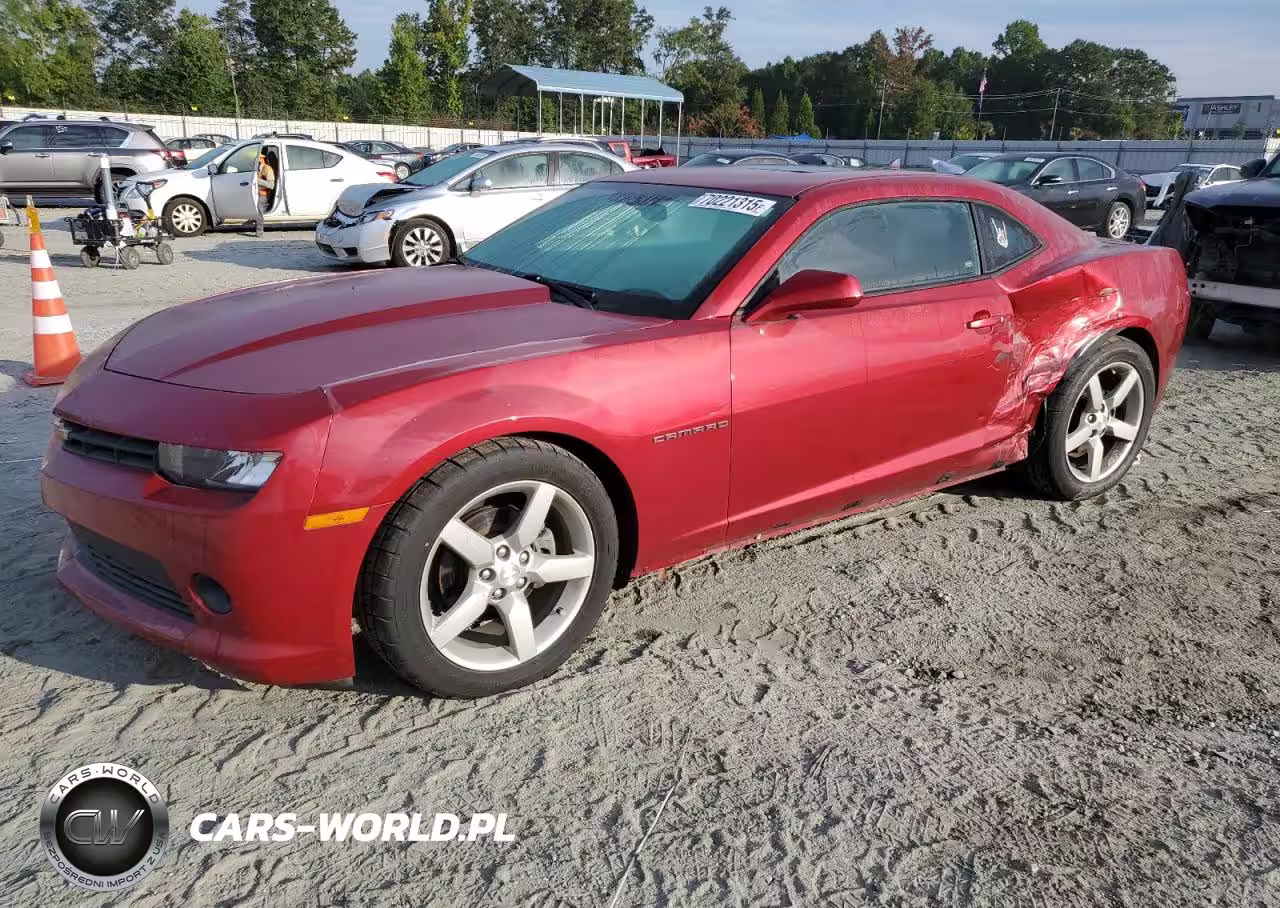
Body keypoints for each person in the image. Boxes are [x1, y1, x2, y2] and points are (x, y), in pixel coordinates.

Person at [253, 152, 275, 237]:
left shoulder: (267, 169)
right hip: (254, 193)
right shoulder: (256, 169)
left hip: (262, 195)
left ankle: (259, 229)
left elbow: (271, 185)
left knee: (258, 207)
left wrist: (256, 180)